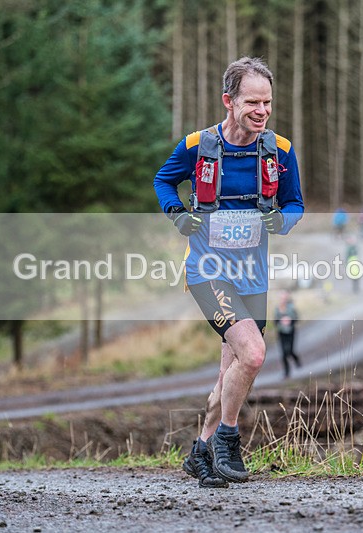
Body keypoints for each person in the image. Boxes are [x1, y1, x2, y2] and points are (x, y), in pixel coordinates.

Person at [154, 57, 304, 488]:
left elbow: (295, 203)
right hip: (207, 271)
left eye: (268, 102)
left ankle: (199, 452)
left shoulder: (280, 150)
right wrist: (178, 215)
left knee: (231, 372)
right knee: (254, 355)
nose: (262, 111)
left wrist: (283, 221)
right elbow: (163, 181)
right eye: (252, 101)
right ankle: (227, 439)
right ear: (228, 100)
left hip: (252, 276)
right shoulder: (197, 145)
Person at [274, 290, 300, 379]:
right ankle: (287, 372)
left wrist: (290, 321)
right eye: (281, 298)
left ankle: (296, 359)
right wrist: (280, 321)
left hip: (291, 332)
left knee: (290, 351)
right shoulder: (277, 308)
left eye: (284, 298)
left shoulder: (291, 308)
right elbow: (275, 321)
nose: (282, 300)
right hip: (281, 333)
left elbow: (296, 318)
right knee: (284, 353)